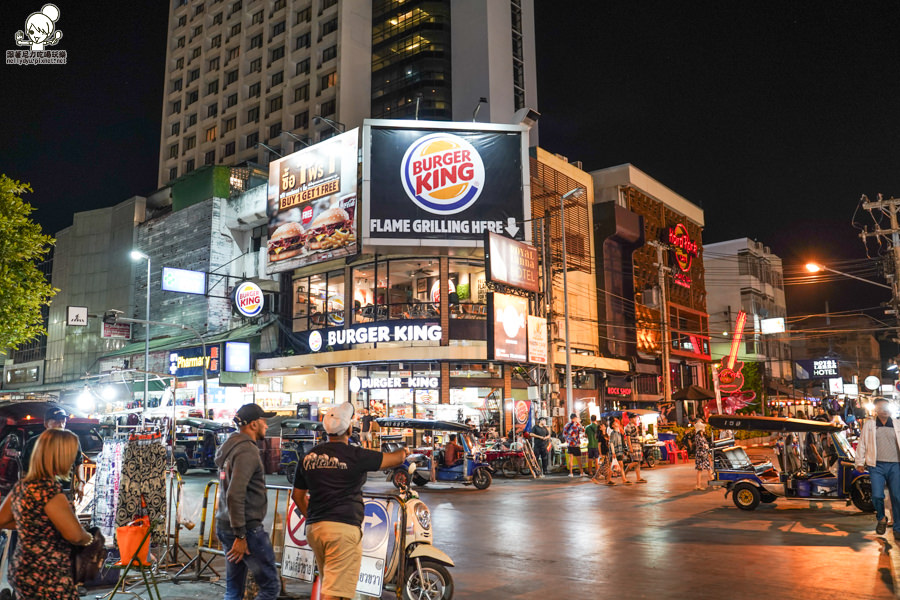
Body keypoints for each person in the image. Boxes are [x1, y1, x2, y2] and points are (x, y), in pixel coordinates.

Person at [292, 403, 408, 600]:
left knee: (334, 584)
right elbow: (393, 459)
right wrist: (405, 451)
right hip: (342, 531)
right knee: (332, 592)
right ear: (349, 429)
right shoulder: (356, 455)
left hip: (316, 529)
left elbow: (297, 496)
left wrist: (313, 517)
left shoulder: (308, 457)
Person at [0, 429, 96, 600]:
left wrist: (34, 525)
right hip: (47, 573)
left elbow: (3, 520)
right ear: (59, 456)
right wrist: (89, 538)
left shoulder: (24, 485)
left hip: (23, 567)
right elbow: (74, 535)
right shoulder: (49, 491)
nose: (73, 460)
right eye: (70, 454)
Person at [215, 403, 280, 600]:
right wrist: (241, 536)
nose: (267, 426)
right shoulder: (246, 451)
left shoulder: (231, 446)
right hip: (245, 530)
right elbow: (235, 493)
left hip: (228, 525)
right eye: (264, 422)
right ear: (253, 425)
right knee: (270, 587)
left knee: (234, 589)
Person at [856, 397, 900, 536]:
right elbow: (862, 443)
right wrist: (859, 462)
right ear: (876, 410)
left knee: (897, 497)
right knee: (876, 495)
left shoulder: (897, 424)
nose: (884, 411)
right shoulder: (870, 425)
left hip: (895, 465)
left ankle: (898, 528)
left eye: (886, 408)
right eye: (880, 408)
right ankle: (881, 518)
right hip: (876, 465)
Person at [22, 406, 83, 500]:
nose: (61, 424)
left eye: (63, 420)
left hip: (65, 492)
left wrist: (81, 482)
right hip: (40, 494)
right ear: (46, 424)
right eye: (56, 421)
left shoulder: (72, 442)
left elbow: (79, 463)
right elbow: (25, 470)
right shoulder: (34, 442)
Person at [623, 417, 647, 483]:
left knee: (638, 462)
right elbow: (628, 438)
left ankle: (638, 478)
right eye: (634, 418)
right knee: (635, 461)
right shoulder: (628, 426)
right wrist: (630, 447)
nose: (636, 419)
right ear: (631, 419)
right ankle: (624, 474)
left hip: (637, 445)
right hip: (633, 446)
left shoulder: (635, 426)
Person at [563, 413, 585, 477]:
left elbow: (564, 434)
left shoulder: (567, 425)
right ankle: (581, 473)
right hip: (576, 444)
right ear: (575, 418)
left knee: (570, 458)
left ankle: (571, 473)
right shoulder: (577, 424)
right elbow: (583, 430)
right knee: (579, 459)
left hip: (570, 444)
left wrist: (568, 439)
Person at [693, 418, 712, 490]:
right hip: (701, 454)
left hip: (703, 454)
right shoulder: (698, 437)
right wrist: (706, 446)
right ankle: (698, 485)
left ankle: (713, 482)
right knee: (701, 469)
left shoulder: (701, 436)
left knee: (708, 468)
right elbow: (702, 445)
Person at [609, 420, 629, 485]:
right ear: (612, 426)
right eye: (614, 423)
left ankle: (624, 479)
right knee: (612, 466)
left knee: (621, 465)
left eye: (617, 422)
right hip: (615, 452)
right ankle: (609, 479)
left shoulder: (619, 433)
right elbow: (611, 443)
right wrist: (613, 452)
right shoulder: (613, 433)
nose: (616, 423)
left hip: (619, 451)